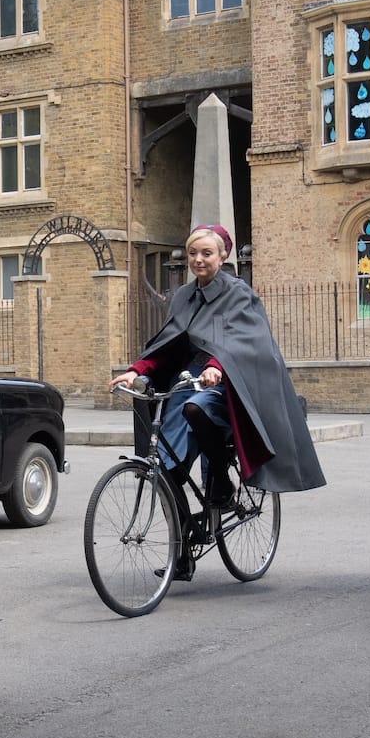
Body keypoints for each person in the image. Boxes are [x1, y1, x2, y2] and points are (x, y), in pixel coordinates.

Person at [109, 224, 326, 581]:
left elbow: (245, 341)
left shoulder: (239, 293)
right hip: (189, 380)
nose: (198, 259)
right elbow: (170, 344)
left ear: (222, 257)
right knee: (165, 468)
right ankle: (182, 554)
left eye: (206, 253)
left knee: (197, 408)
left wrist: (216, 366)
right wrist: (137, 370)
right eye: (192, 253)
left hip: (230, 384)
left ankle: (221, 480)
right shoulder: (183, 296)